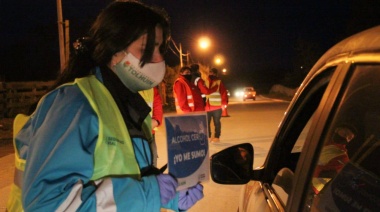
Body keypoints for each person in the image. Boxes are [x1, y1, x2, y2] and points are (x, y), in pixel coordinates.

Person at [7, 1, 203, 211]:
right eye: (147, 49)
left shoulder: (129, 107)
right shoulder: (75, 103)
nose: (160, 59)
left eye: (160, 49)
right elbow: (46, 205)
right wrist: (149, 193)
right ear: (115, 51)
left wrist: (168, 195)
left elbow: (127, 177)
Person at [139, 86, 163, 167]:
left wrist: (156, 121)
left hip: (150, 132)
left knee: (153, 159)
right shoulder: (127, 86)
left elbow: (158, 107)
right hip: (135, 133)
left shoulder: (152, 90)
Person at [205, 68, 228, 143]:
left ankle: (217, 137)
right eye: (210, 72)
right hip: (207, 107)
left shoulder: (219, 82)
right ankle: (208, 137)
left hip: (217, 106)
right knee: (206, 123)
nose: (211, 74)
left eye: (212, 73)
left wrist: (224, 103)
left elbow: (223, 93)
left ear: (215, 74)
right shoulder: (205, 81)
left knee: (216, 122)